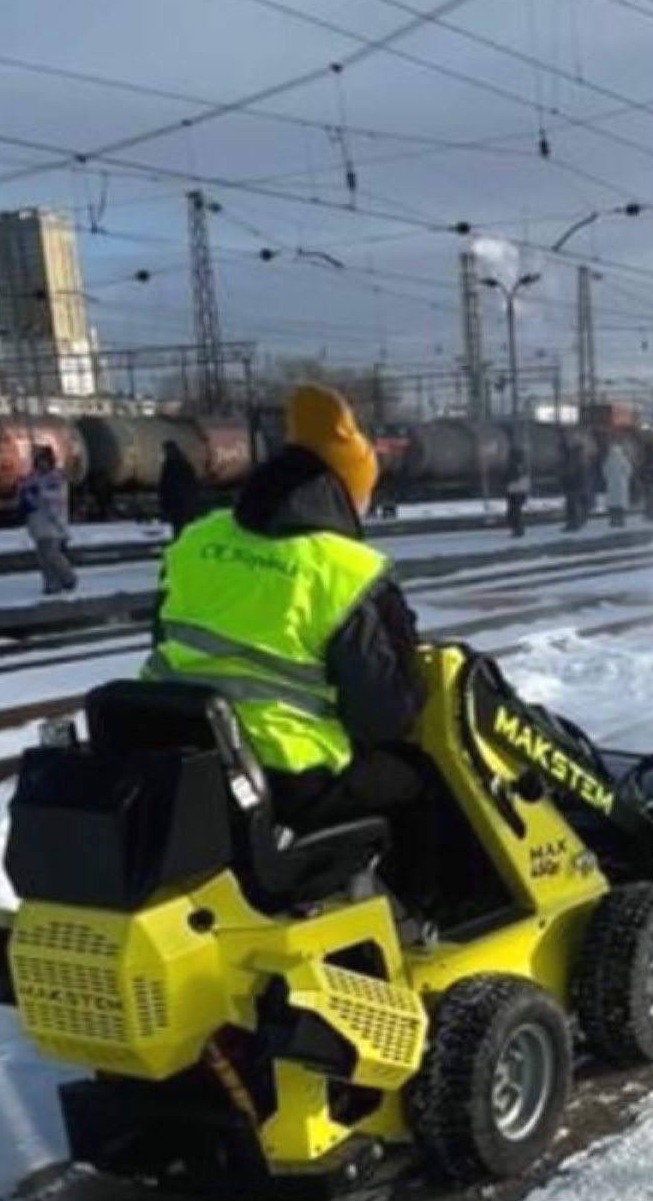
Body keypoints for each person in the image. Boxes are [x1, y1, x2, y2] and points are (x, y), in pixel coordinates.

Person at [145, 382, 466, 922]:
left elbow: (165, 641)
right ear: (345, 493)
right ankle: (429, 926)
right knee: (420, 779)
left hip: (182, 761)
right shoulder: (347, 571)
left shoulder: (196, 541)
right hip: (288, 776)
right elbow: (386, 717)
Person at [17, 439, 78, 594]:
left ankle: (68, 577)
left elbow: (56, 498)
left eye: (44, 461)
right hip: (37, 524)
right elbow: (23, 496)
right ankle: (51, 584)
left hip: (52, 523)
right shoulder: (32, 478)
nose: (41, 464)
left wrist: (37, 494)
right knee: (43, 558)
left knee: (52, 554)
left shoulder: (56, 478)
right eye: (39, 461)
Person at [157, 437, 202, 540]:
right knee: (183, 526)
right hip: (182, 503)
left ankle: (181, 541)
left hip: (179, 503)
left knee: (179, 527)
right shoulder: (183, 462)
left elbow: (167, 485)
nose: (165, 452)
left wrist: (166, 504)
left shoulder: (174, 464)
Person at [600, 433, 635, 531]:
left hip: (611, 485)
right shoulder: (623, 459)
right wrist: (624, 478)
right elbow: (629, 471)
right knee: (621, 505)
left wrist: (609, 479)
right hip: (622, 485)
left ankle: (612, 521)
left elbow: (604, 472)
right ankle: (621, 521)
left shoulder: (608, 460)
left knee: (613, 505)